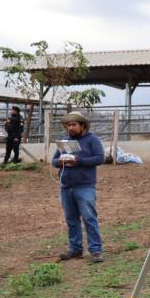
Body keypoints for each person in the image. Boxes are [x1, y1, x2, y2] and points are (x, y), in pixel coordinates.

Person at [51, 112, 106, 263]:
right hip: (66, 186)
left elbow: (100, 158)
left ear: (83, 125)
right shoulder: (64, 142)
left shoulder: (92, 140)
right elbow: (54, 161)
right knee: (71, 219)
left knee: (89, 217)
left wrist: (78, 160)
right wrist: (62, 160)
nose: (71, 128)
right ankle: (75, 249)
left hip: (85, 186)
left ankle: (95, 250)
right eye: (69, 125)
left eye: (74, 124)